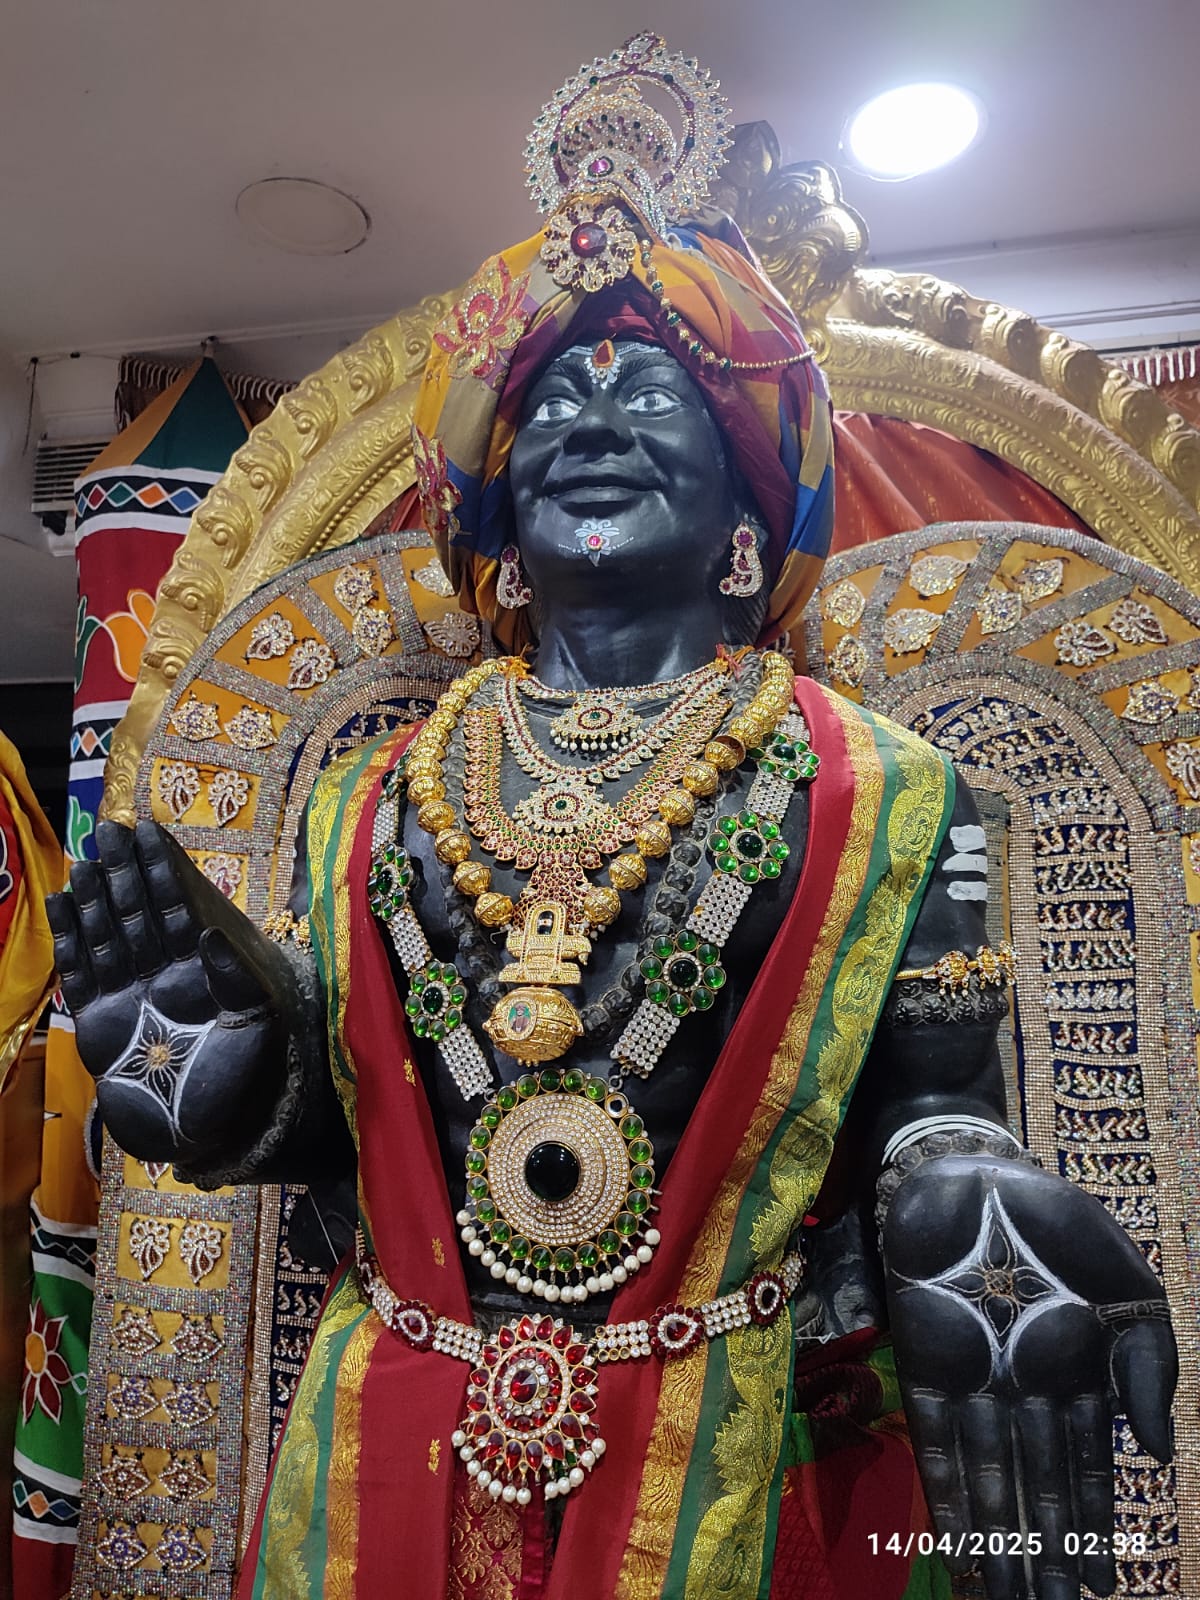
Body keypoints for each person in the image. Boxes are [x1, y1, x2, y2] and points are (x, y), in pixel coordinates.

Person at [47, 34, 1175, 1600]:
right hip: (386, 1453)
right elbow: (372, 1149)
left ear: (746, 510)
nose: (591, 422)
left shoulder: (912, 799)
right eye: (553, 407)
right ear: (498, 524)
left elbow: (942, 1102)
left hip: (736, 1448)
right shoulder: (374, 802)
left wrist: (967, 1191)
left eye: (649, 392)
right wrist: (244, 1084)